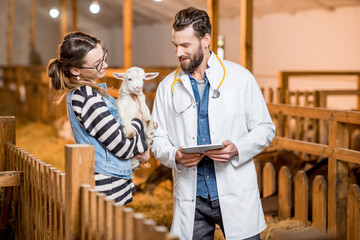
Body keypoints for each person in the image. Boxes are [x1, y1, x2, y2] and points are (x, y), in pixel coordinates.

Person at [151, 7, 275, 240]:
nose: (178, 52)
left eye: (185, 45)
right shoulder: (167, 87)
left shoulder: (240, 78)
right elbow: (157, 139)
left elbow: (265, 128)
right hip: (192, 198)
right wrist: (175, 155)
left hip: (235, 192)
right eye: (175, 45)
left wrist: (237, 148)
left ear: (206, 40)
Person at [47, 31, 149, 205]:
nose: (105, 64)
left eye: (104, 56)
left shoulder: (93, 92)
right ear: (75, 70)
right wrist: (138, 121)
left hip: (113, 179)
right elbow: (122, 146)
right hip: (107, 185)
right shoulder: (86, 97)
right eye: (97, 64)